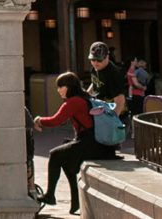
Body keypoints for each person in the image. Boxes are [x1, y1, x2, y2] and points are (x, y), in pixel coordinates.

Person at [33, 72, 112, 216]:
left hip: (90, 143)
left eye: (60, 86)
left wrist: (38, 120)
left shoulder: (73, 102)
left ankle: (50, 195)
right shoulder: (84, 97)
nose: (58, 90)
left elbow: (55, 121)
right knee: (65, 159)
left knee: (55, 154)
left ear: (68, 87)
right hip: (95, 143)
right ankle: (75, 202)